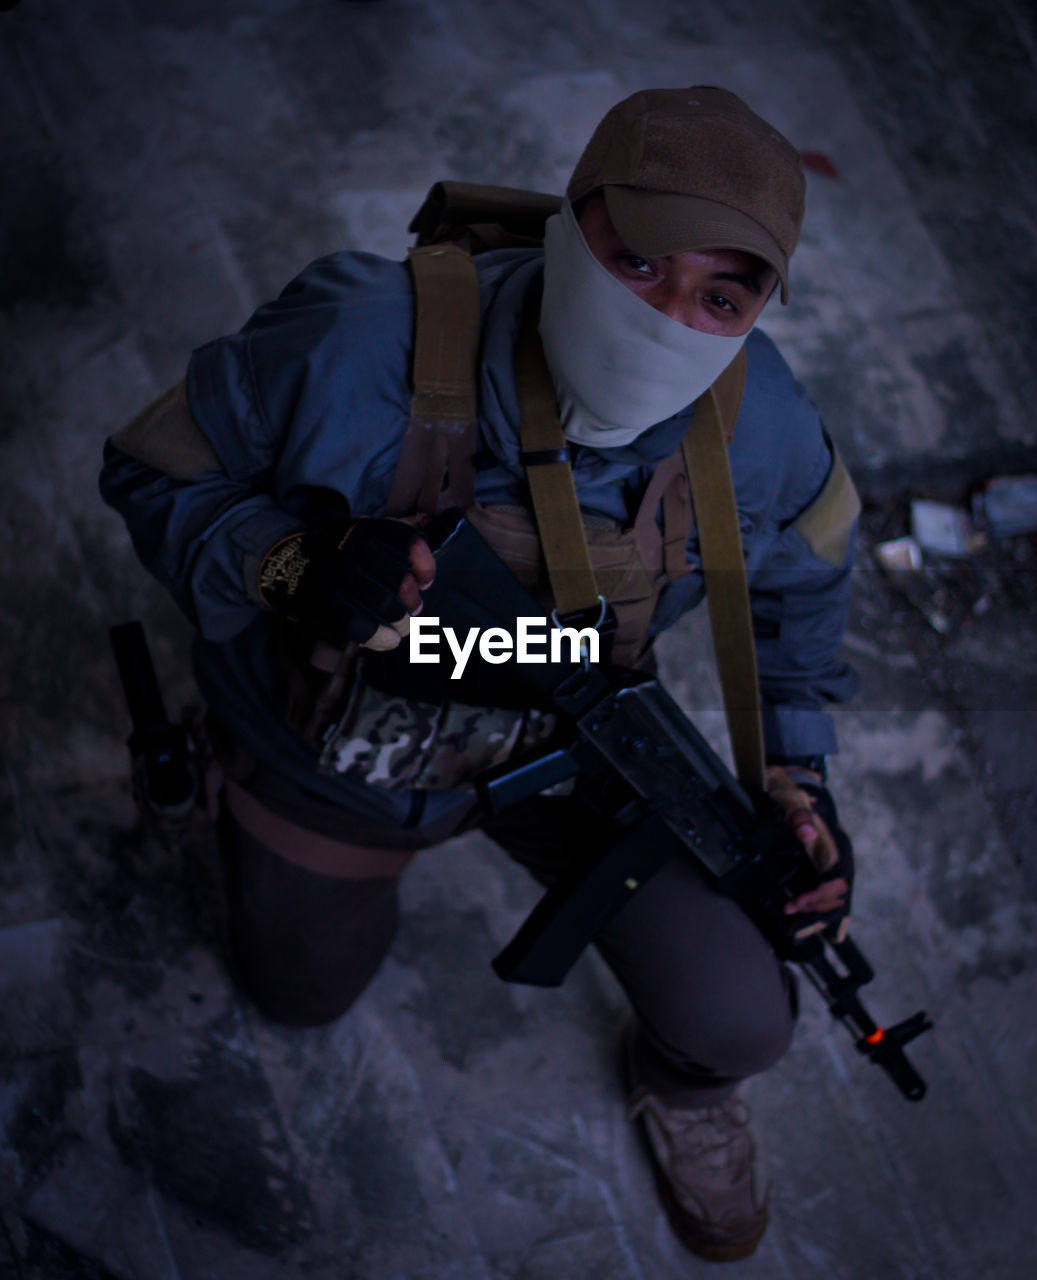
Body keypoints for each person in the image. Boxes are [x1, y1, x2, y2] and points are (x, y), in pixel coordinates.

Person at [100, 86, 860, 1262]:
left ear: (761, 309)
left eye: (721, 295)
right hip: (334, 752)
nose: (666, 318)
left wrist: (797, 777)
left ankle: (685, 1090)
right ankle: (228, 760)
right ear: (573, 222)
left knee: (739, 1013)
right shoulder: (361, 340)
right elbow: (150, 474)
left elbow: (806, 590)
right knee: (295, 994)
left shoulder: (764, 432)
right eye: (638, 260)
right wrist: (289, 560)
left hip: (576, 746)